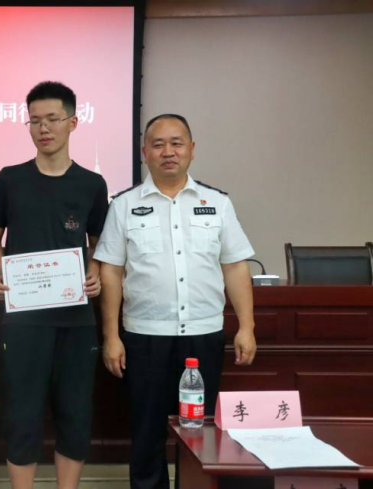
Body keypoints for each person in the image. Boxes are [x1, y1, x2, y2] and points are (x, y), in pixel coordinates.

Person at [94, 114, 256, 489]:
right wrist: (111, 336)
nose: (168, 152)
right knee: (147, 433)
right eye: (158, 144)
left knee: (201, 434)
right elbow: (111, 273)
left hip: (203, 335)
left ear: (191, 150)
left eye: (177, 143)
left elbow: (235, 266)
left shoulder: (217, 203)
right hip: (144, 337)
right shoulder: (124, 205)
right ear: (144, 153)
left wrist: (247, 327)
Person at [0, 81, 109, 489]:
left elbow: (99, 244)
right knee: (22, 414)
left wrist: (94, 272)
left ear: (73, 122)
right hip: (24, 319)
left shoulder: (92, 184)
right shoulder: (10, 179)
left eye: (52, 119)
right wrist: (4, 273)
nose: (43, 128)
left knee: (75, 413)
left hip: (76, 319)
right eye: (35, 120)